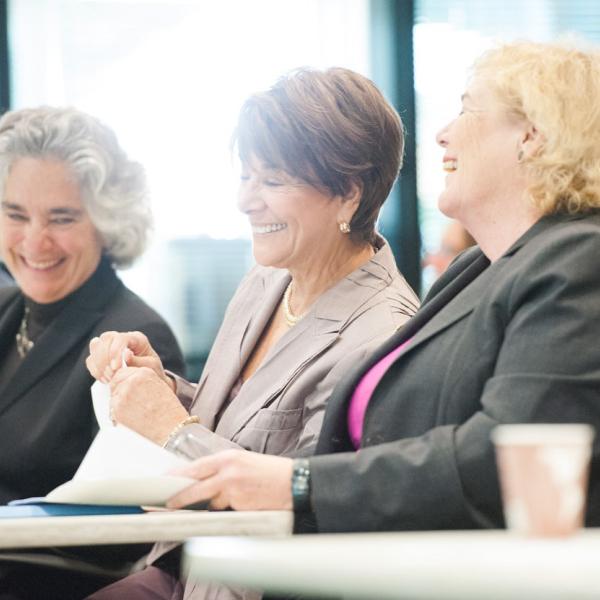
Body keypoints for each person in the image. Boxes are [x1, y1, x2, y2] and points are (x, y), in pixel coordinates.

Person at [165, 40, 600, 545]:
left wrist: (298, 482)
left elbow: (507, 455)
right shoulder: (477, 267)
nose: (441, 134)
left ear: (530, 137)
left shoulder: (579, 260)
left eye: (467, 110)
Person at [85, 67, 419, 598]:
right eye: (246, 176)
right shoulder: (267, 278)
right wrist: (163, 389)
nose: (246, 201)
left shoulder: (382, 334)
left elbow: (306, 509)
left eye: (273, 181)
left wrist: (171, 427)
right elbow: (248, 425)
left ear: (349, 194)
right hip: (183, 564)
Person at [0, 106, 185, 506]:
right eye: (16, 214)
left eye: (61, 219)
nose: (35, 241)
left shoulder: (134, 338)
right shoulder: (6, 307)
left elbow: (124, 530)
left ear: (108, 223)